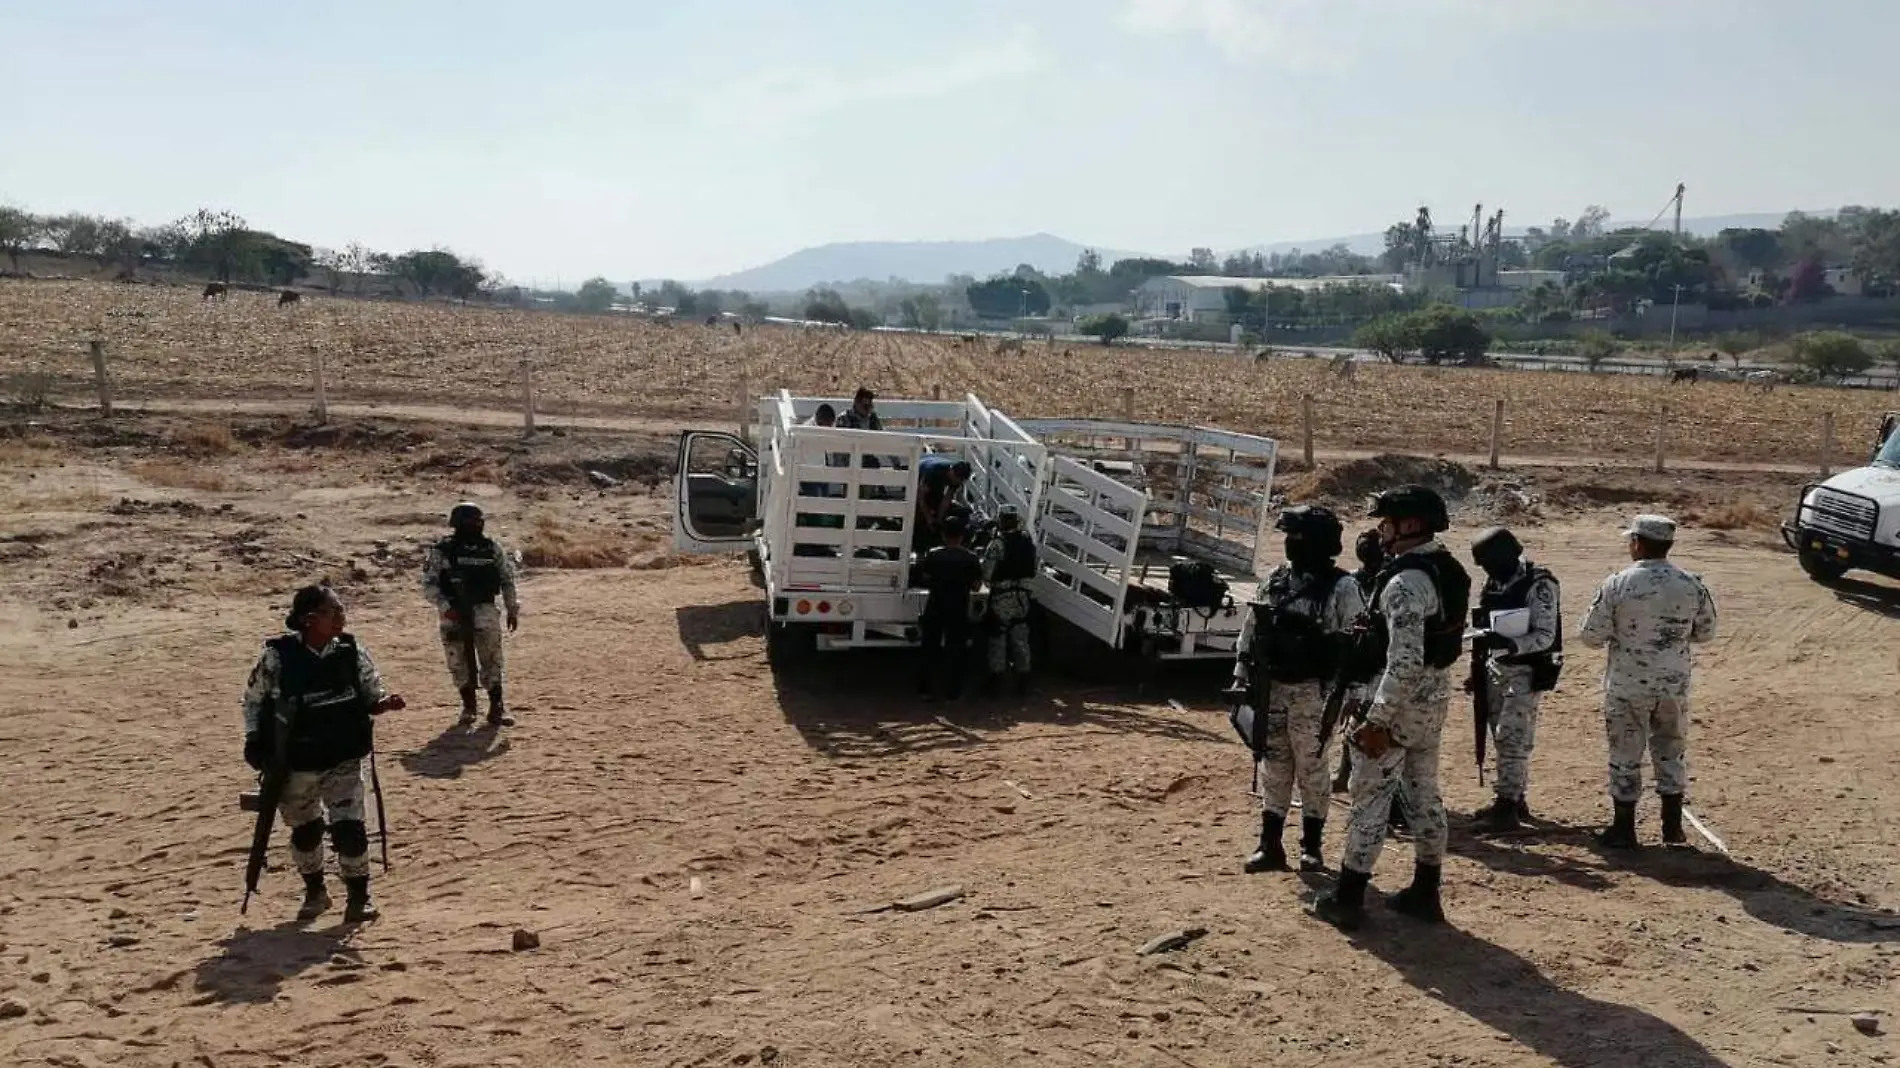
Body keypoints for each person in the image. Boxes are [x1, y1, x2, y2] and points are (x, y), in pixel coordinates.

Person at [1312, 485, 1469, 930]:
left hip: (1396, 704)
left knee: (1370, 800)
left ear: (1411, 525)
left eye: (1387, 523)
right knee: (1424, 795)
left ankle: (1349, 897)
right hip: (1432, 701)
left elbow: (1403, 658)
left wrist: (1376, 720)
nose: (1380, 531)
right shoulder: (1445, 568)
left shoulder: (1404, 583)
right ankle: (1425, 890)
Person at [241, 585, 405, 923]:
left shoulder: (350, 651)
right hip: (296, 763)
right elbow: (254, 700)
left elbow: (371, 692)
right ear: (309, 619)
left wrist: (384, 703)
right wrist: (254, 740)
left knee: (350, 828)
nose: (342, 616)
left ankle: (360, 899)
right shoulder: (277, 657)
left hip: (342, 756)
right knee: (306, 831)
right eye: (334, 610)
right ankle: (315, 892)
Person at [1232, 505, 1365, 874]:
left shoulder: (1343, 586)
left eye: (1297, 538)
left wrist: (1355, 693)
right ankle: (1270, 844)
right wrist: (1240, 674)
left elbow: (1356, 645)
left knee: (1312, 769)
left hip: (1315, 692)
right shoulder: (1276, 579)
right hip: (1272, 687)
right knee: (1274, 766)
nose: (1290, 545)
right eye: (1288, 538)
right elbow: (1251, 629)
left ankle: (1312, 847)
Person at [1577, 514, 1718, 848]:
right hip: (1673, 684)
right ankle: (1672, 829)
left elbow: (1590, 636)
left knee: (1626, 752)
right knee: (1671, 750)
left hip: (1629, 685)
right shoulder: (1691, 583)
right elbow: (1707, 632)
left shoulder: (1618, 583)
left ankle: (1624, 829)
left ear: (1638, 543)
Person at [1468, 527, 1563, 831]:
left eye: (1488, 563)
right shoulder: (1495, 581)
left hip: (1525, 669)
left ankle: (1506, 806)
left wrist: (1512, 645)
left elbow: (1546, 635)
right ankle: (1515, 799)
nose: (1486, 570)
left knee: (1513, 738)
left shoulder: (1539, 584)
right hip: (1495, 668)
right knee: (1501, 736)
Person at [422, 503, 520, 727]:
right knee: (458, 660)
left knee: (492, 658)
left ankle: (497, 706)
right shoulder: (442, 551)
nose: (478, 524)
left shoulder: (491, 548)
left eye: (479, 520)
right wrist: (447, 607)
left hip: (485, 610)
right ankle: (469, 707)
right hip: (453, 613)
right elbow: (429, 585)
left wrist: (511, 608)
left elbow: (506, 579)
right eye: (473, 521)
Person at [1334, 528, 1387, 794]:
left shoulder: (1390, 580)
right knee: (1352, 717)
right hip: (1359, 659)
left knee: (1368, 721)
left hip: (1381, 662)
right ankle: (1345, 774)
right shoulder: (1354, 580)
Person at [916, 513, 984, 701]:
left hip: (936, 605)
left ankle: (925, 690)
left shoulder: (933, 554)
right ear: (962, 536)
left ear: (943, 535)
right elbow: (977, 585)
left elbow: (925, 578)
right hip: (958, 607)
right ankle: (953, 691)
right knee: (956, 650)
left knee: (929, 647)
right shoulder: (970, 558)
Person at [982, 504, 1038, 695]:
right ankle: (1023, 680)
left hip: (1002, 596)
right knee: (1020, 638)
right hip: (1023, 596)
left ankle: (996, 681)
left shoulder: (997, 544)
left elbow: (987, 573)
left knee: (998, 637)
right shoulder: (1027, 542)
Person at [915, 456, 973, 552]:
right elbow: (920, 496)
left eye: (959, 481)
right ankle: (919, 545)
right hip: (917, 477)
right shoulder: (933, 472)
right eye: (955, 479)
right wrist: (929, 518)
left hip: (936, 485)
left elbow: (947, 499)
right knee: (920, 514)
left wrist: (939, 520)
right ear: (951, 471)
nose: (956, 482)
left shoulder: (958, 478)